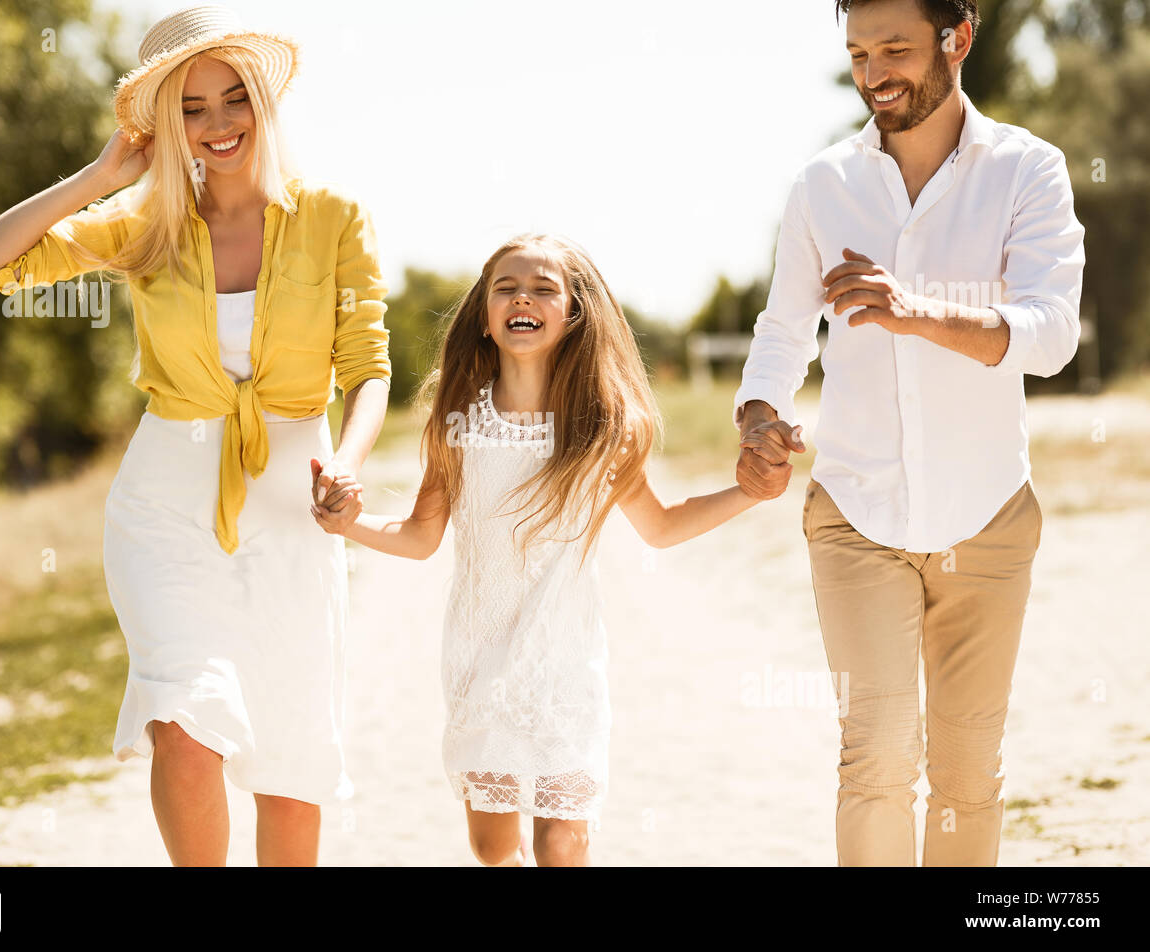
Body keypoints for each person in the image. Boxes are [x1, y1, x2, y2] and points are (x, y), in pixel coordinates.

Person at [0, 3, 392, 866]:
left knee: (290, 764)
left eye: (234, 98)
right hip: (165, 506)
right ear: (165, 123)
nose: (218, 123)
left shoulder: (333, 218)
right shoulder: (147, 227)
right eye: (191, 107)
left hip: (295, 503)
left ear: (264, 100)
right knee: (182, 722)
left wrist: (344, 460)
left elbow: (368, 366)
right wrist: (97, 178)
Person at [733, 0, 1084, 866]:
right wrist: (757, 415)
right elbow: (783, 331)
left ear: (957, 38)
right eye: (857, 52)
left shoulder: (1027, 171)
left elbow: (1049, 336)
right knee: (877, 761)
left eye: (895, 48)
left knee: (969, 776)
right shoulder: (823, 185)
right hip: (855, 516)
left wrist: (916, 312)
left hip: (988, 518)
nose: (873, 73)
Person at [312, 234, 765, 865]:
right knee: (494, 850)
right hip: (478, 668)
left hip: (565, 674)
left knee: (560, 845)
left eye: (543, 288)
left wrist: (746, 492)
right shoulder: (458, 421)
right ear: (487, 316)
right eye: (506, 287)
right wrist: (348, 524)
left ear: (573, 313)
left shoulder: (601, 426)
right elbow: (420, 536)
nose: (523, 297)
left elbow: (660, 525)